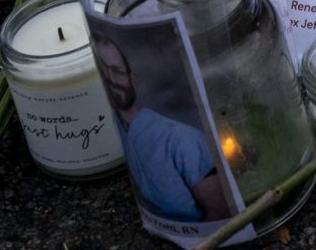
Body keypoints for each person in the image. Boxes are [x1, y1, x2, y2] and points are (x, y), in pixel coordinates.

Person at [97, 35, 227, 223]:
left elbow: (220, 210)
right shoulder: (115, 131)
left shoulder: (180, 139)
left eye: (117, 71)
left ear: (132, 78)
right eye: (104, 69)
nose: (111, 79)